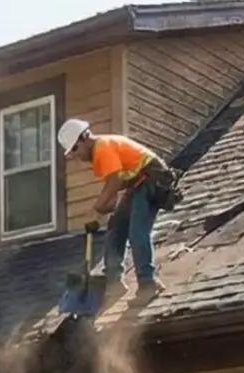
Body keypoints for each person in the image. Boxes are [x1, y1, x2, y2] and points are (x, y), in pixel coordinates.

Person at [59, 119, 171, 294]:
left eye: (75, 149)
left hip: (152, 177)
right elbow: (115, 188)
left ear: (84, 138)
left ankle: (148, 283)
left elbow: (114, 182)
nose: (77, 156)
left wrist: (97, 208)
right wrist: (104, 210)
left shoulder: (102, 147)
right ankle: (113, 283)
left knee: (137, 232)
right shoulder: (99, 155)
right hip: (136, 183)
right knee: (116, 228)